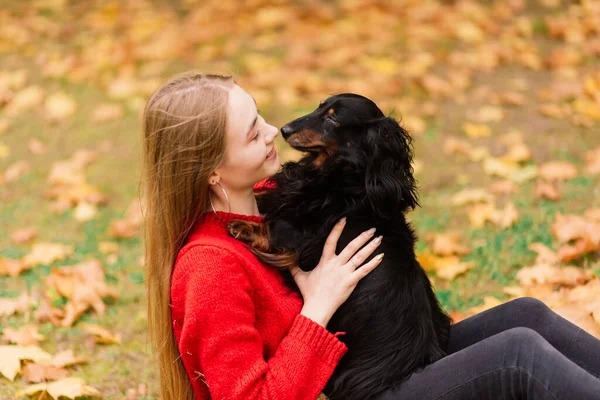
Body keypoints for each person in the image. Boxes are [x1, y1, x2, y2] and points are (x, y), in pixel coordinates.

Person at [140, 71, 600, 400]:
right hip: (359, 387)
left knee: (528, 316)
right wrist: (316, 309)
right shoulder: (209, 267)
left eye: (259, 117)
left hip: (385, 362)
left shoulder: (272, 198)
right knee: (517, 357)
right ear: (212, 170)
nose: (272, 132)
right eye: (250, 133)